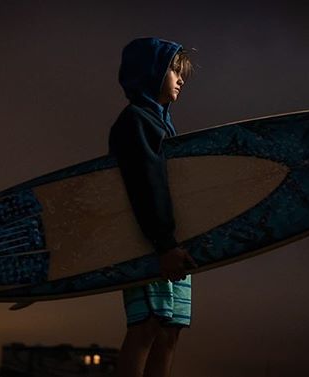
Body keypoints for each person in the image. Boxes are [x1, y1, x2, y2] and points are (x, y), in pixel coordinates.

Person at [108, 37, 197, 377]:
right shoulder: (135, 121)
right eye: (174, 70)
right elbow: (145, 187)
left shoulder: (163, 125)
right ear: (151, 71)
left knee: (170, 331)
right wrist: (164, 243)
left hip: (172, 241)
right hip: (147, 242)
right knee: (147, 325)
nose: (181, 78)